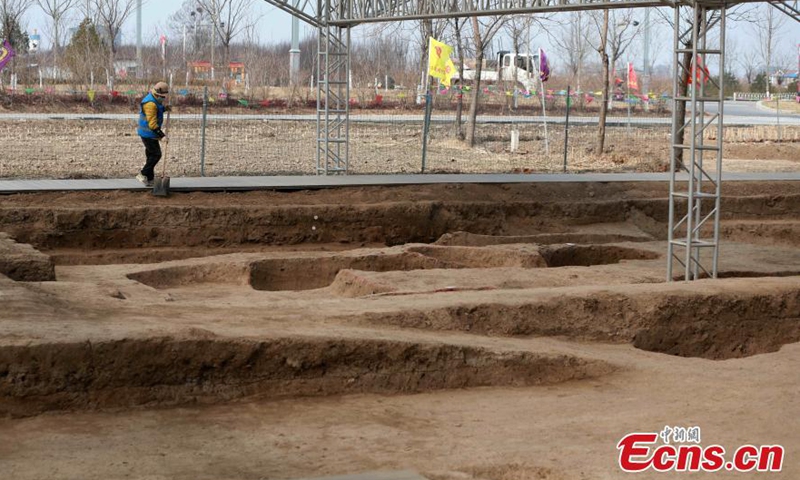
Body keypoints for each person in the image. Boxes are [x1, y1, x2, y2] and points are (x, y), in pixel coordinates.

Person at [136, 82, 171, 186]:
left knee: (151, 155)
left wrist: (165, 109)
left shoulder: (154, 100)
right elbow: (152, 124)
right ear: (157, 94)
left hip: (149, 133)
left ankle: (150, 179)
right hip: (148, 134)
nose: (163, 99)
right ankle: (142, 174)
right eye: (162, 97)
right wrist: (162, 135)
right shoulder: (150, 104)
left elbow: (158, 109)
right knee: (156, 155)